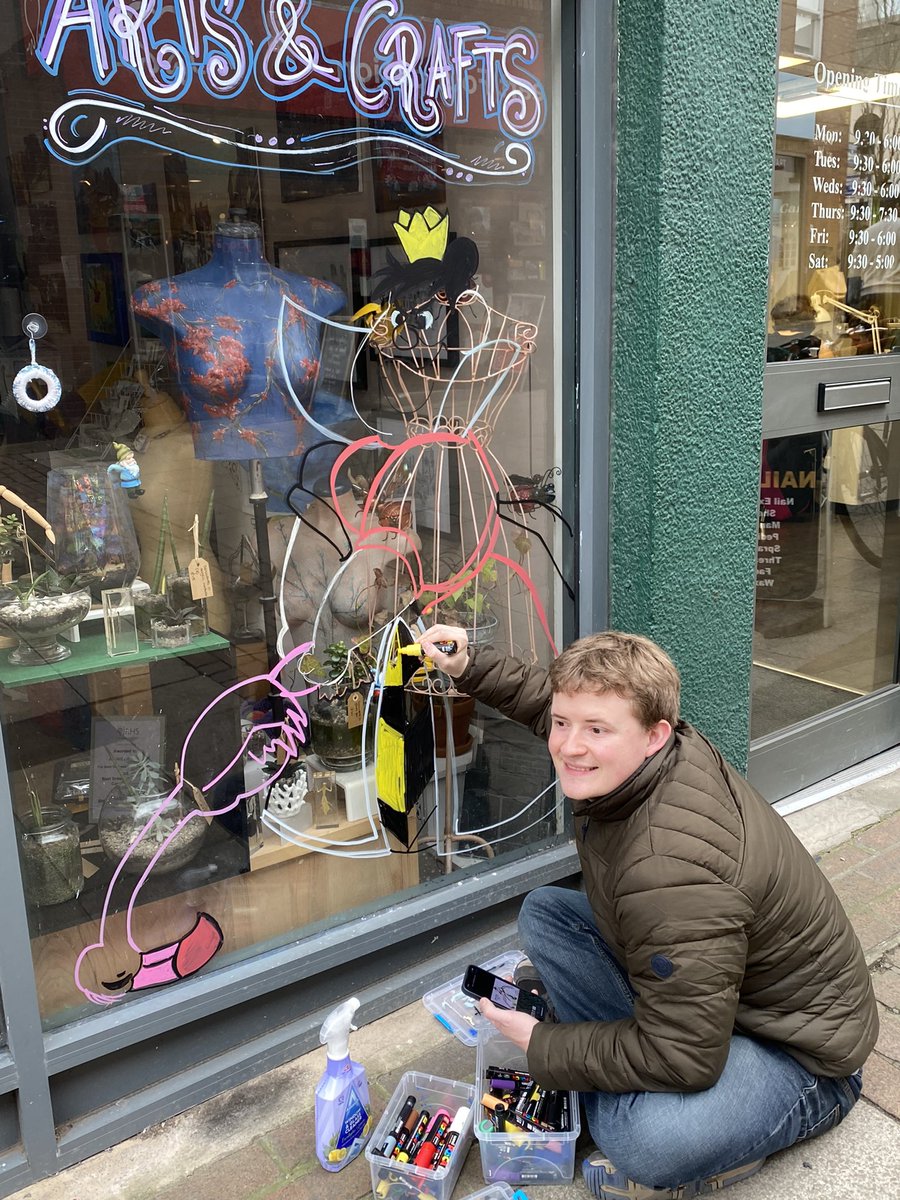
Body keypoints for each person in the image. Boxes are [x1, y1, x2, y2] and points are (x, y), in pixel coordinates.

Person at [420, 625, 878, 1200]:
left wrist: (543, 1046)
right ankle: (618, 1073)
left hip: (804, 1056)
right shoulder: (654, 751)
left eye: (595, 730)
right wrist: (470, 666)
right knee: (546, 913)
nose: (567, 745)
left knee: (644, 1144)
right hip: (718, 1004)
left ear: (654, 735)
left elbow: (685, 1055)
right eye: (564, 724)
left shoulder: (667, 871)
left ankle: (699, 1127)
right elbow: (553, 704)